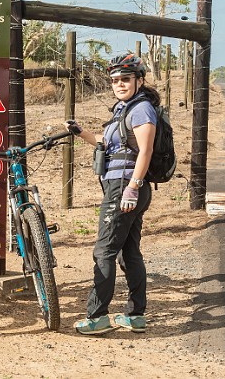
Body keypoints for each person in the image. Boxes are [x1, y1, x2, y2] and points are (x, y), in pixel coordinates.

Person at [66, 53, 158, 335]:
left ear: (139, 81)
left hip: (125, 187)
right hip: (122, 186)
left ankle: (98, 316)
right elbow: (105, 143)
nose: (119, 84)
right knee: (128, 252)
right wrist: (81, 132)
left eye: (125, 79)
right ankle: (136, 315)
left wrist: (132, 186)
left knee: (104, 251)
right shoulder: (123, 109)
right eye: (115, 80)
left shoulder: (141, 109)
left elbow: (146, 150)